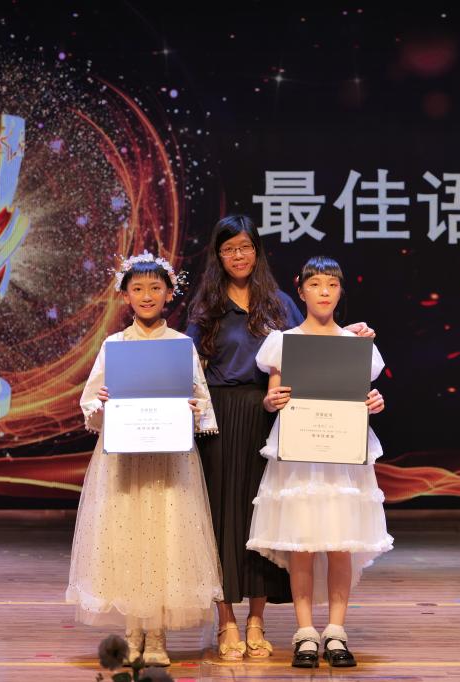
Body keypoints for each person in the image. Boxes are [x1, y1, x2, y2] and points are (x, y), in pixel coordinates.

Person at [185, 216, 373, 661]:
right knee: (221, 517)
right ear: (218, 255)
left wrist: (353, 336)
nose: (238, 256)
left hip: (273, 418)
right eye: (229, 249)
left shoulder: (279, 303)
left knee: (263, 519)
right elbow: (187, 362)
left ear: (257, 251)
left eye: (245, 247)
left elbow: (315, 346)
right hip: (219, 418)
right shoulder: (206, 305)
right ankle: (226, 620)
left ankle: (257, 618)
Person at [66, 252, 222, 667]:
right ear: (126, 296)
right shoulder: (114, 346)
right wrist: (101, 403)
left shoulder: (181, 345)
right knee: (127, 539)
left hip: (169, 460)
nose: (147, 295)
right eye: (138, 289)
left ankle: (157, 636)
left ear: (169, 294)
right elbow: (89, 404)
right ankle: (133, 631)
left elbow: (202, 401)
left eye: (155, 288)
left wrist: (193, 410)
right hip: (124, 460)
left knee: (165, 539)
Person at [246, 255, 393, 669]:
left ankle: (337, 631)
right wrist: (271, 401)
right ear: (301, 290)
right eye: (315, 284)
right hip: (300, 452)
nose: (323, 292)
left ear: (341, 291)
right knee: (304, 544)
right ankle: (306, 632)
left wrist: (375, 402)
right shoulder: (284, 342)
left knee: (341, 542)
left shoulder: (356, 344)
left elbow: (365, 394)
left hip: (343, 455)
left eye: (331, 284)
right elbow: (272, 394)